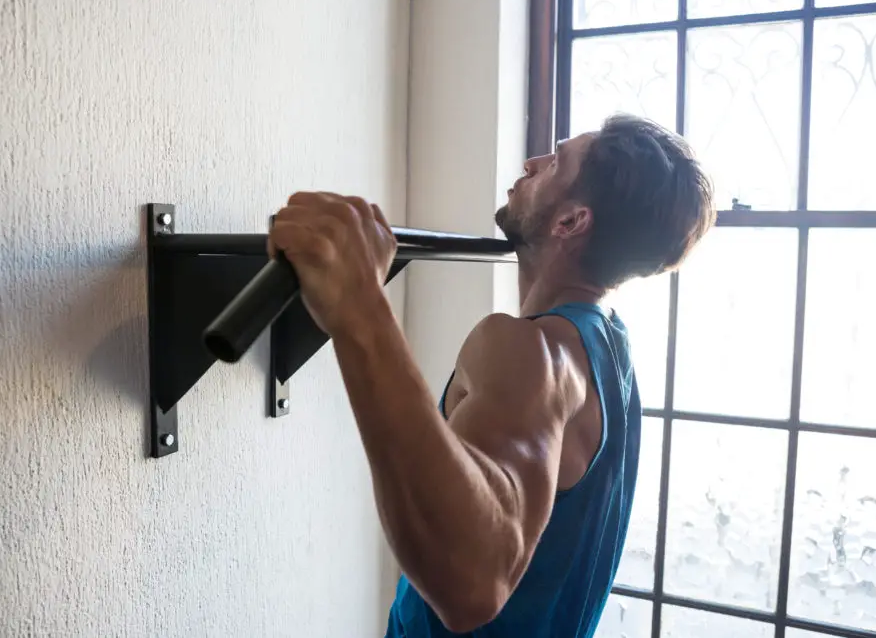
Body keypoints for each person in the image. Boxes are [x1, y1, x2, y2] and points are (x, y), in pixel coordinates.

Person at [267, 113, 716, 637]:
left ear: (570, 222)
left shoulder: (530, 350)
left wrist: (358, 303)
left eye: (555, 163)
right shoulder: (610, 348)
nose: (532, 162)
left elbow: (474, 583)